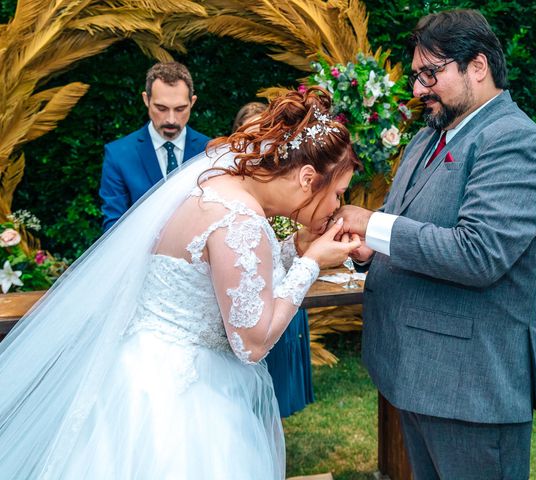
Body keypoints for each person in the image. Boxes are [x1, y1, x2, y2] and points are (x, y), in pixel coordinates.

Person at [0, 87, 361, 479]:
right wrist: (309, 264)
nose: (336, 207)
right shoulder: (241, 220)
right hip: (187, 401)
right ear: (308, 178)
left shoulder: (217, 187)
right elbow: (252, 343)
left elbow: (223, 275)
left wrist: (293, 247)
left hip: (137, 376)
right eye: (337, 193)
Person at [336, 9, 536, 479]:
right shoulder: (429, 136)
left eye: (430, 74)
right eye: (418, 75)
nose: (418, 89)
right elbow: (414, 228)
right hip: (417, 376)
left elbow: (478, 254)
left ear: (477, 67)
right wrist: (371, 248)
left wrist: (372, 224)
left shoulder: (517, 143)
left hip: (472, 392)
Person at [233, 101, 315, 418]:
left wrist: (298, 243)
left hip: (282, 299)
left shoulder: (290, 187)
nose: (261, 149)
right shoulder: (236, 200)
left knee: (277, 397)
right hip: (248, 311)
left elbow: (273, 253)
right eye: (253, 139)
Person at [100, 61, 210, 230]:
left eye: (180, 109)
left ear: (192, 102)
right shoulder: (118, 155)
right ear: (146, 99)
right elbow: (113, 226)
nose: (171, 119)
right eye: (161, 108)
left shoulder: (210, 151)